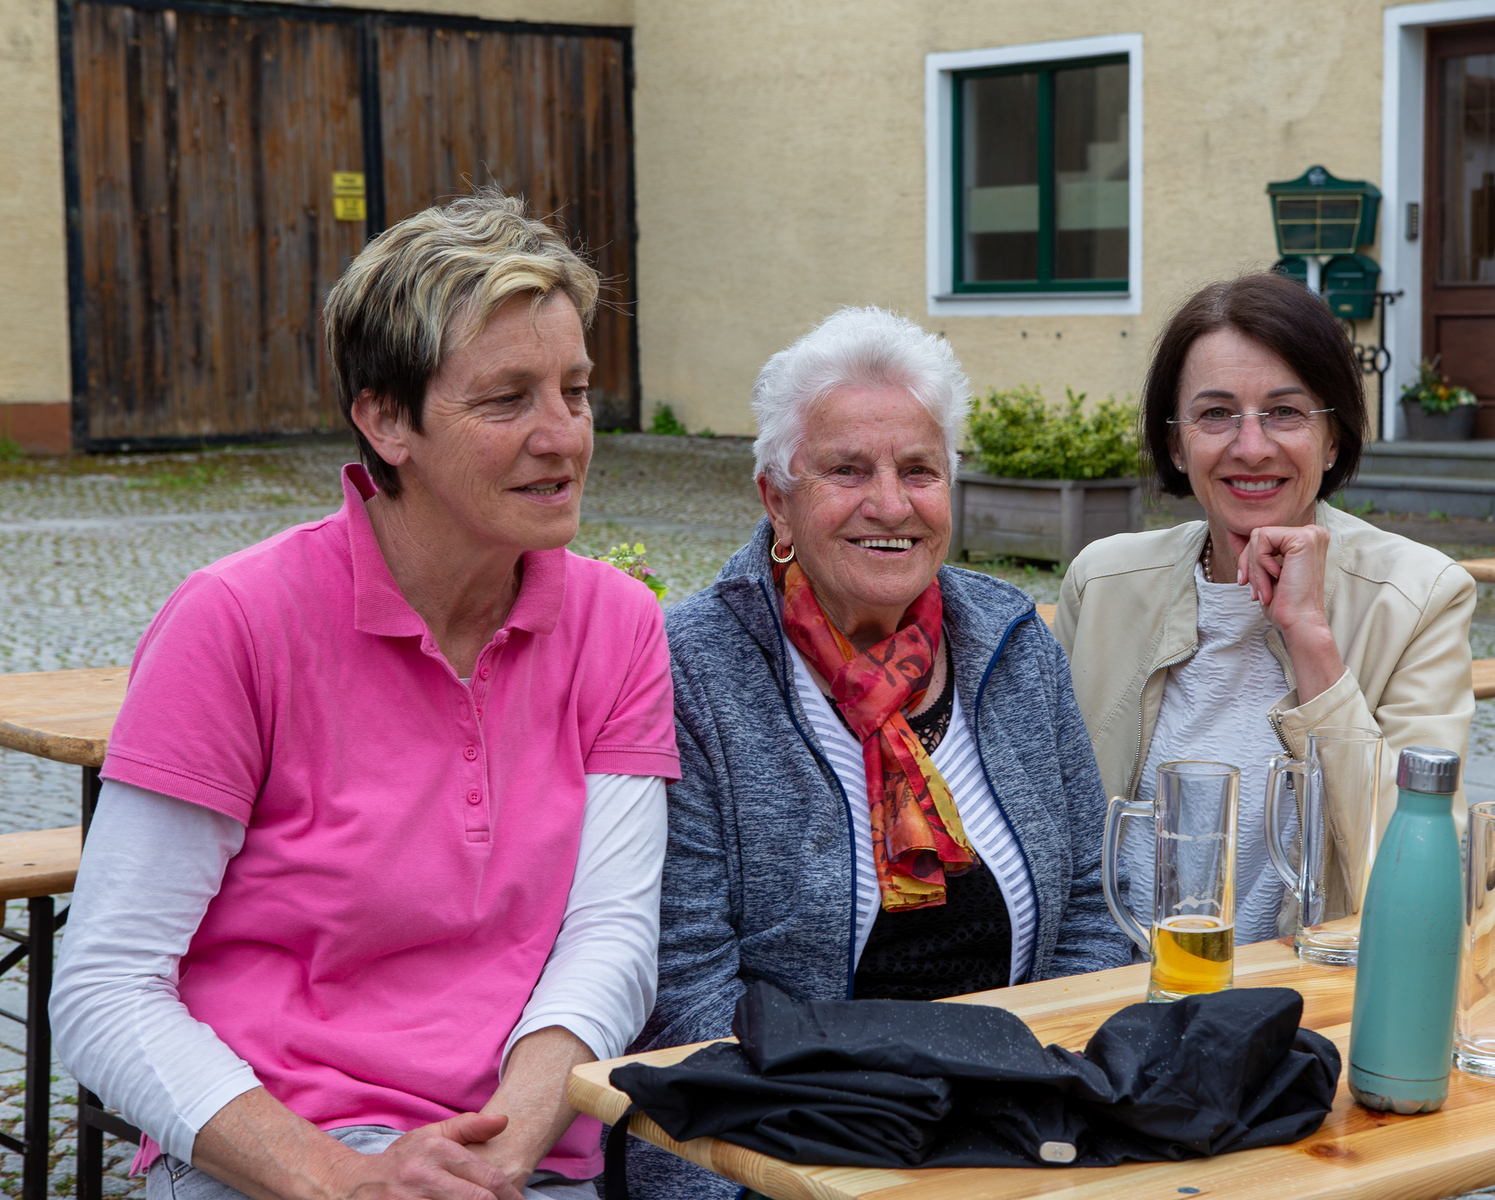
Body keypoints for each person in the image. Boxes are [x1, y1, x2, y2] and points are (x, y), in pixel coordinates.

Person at [49, 194, 680, 1200]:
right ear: (387, 420)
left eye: (575, 390)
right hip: (277, 1157)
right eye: (507, 400)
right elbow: (105, 987)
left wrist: (500, 1157)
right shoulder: (236, 620)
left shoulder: (620, 624)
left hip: (521, 1155)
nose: (563, 436)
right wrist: (345, 1179)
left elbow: (610, 933)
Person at [628, 306, 1130, 1198]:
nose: (892, 505)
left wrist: (1045, 1114)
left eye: (919, 470)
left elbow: (1095, 904)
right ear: (776, 499)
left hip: (1017, 1130)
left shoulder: (1012, 641)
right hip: (781, 1146)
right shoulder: (693, 671)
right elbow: (684, 988)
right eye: (848, 470)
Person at [1055, 272, 1476, 944]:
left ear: (1332, 439)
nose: (1251, 447)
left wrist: (1311, 638)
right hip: (1102, 979)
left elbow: (1418, 880)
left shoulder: (1419, 596)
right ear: (1176, 444)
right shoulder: (1103, 583)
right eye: (1215, 414)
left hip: (1298, 991)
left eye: (1285, 412)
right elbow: (1049, 828)